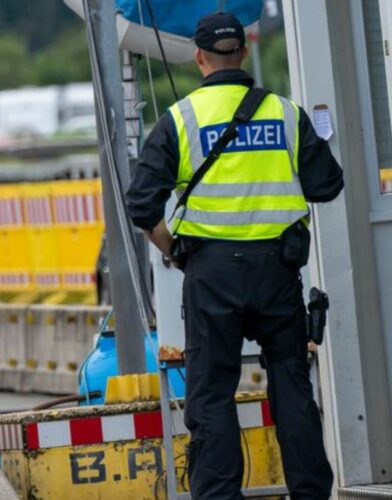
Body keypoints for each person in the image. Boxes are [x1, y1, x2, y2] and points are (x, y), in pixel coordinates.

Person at [126, 12, 342, 500]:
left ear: (199, 57)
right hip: (277, 270)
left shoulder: (180, 119)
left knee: (211, 396)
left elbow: (140, 203)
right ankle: (310, 493)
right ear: (243, 51)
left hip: (210, 274)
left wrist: (174, 250)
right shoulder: (286, 113)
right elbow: (328, 185)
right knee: (291, 388)